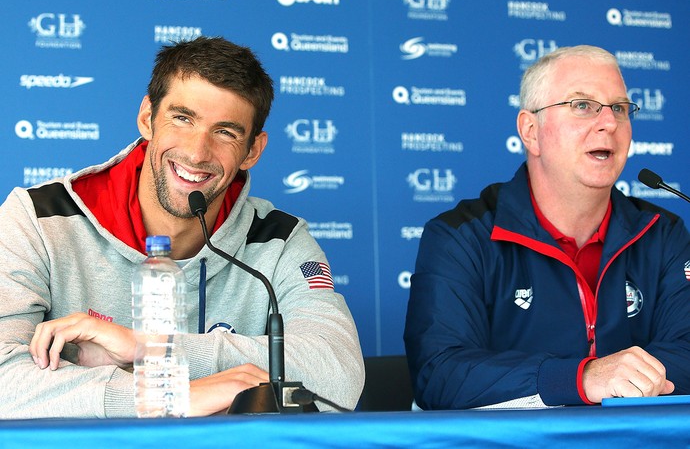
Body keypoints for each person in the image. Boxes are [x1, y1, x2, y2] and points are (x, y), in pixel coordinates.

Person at [0, 36, 364, 418]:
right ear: (147, 118)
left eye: (226, 132)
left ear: (252, 151)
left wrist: (152, 348)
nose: (196, 152)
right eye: (182, 118)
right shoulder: (37, 219)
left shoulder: (279, 240)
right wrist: (167, 398)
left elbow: (339, 373)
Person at [404, 45, 690, 410]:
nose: (610, 123)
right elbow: (440, 374)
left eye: (619, 108)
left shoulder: (662, 233)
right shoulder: (461, 236)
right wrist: (582, 378)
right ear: (531, 130)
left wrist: (619, 378)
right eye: (583, 105)